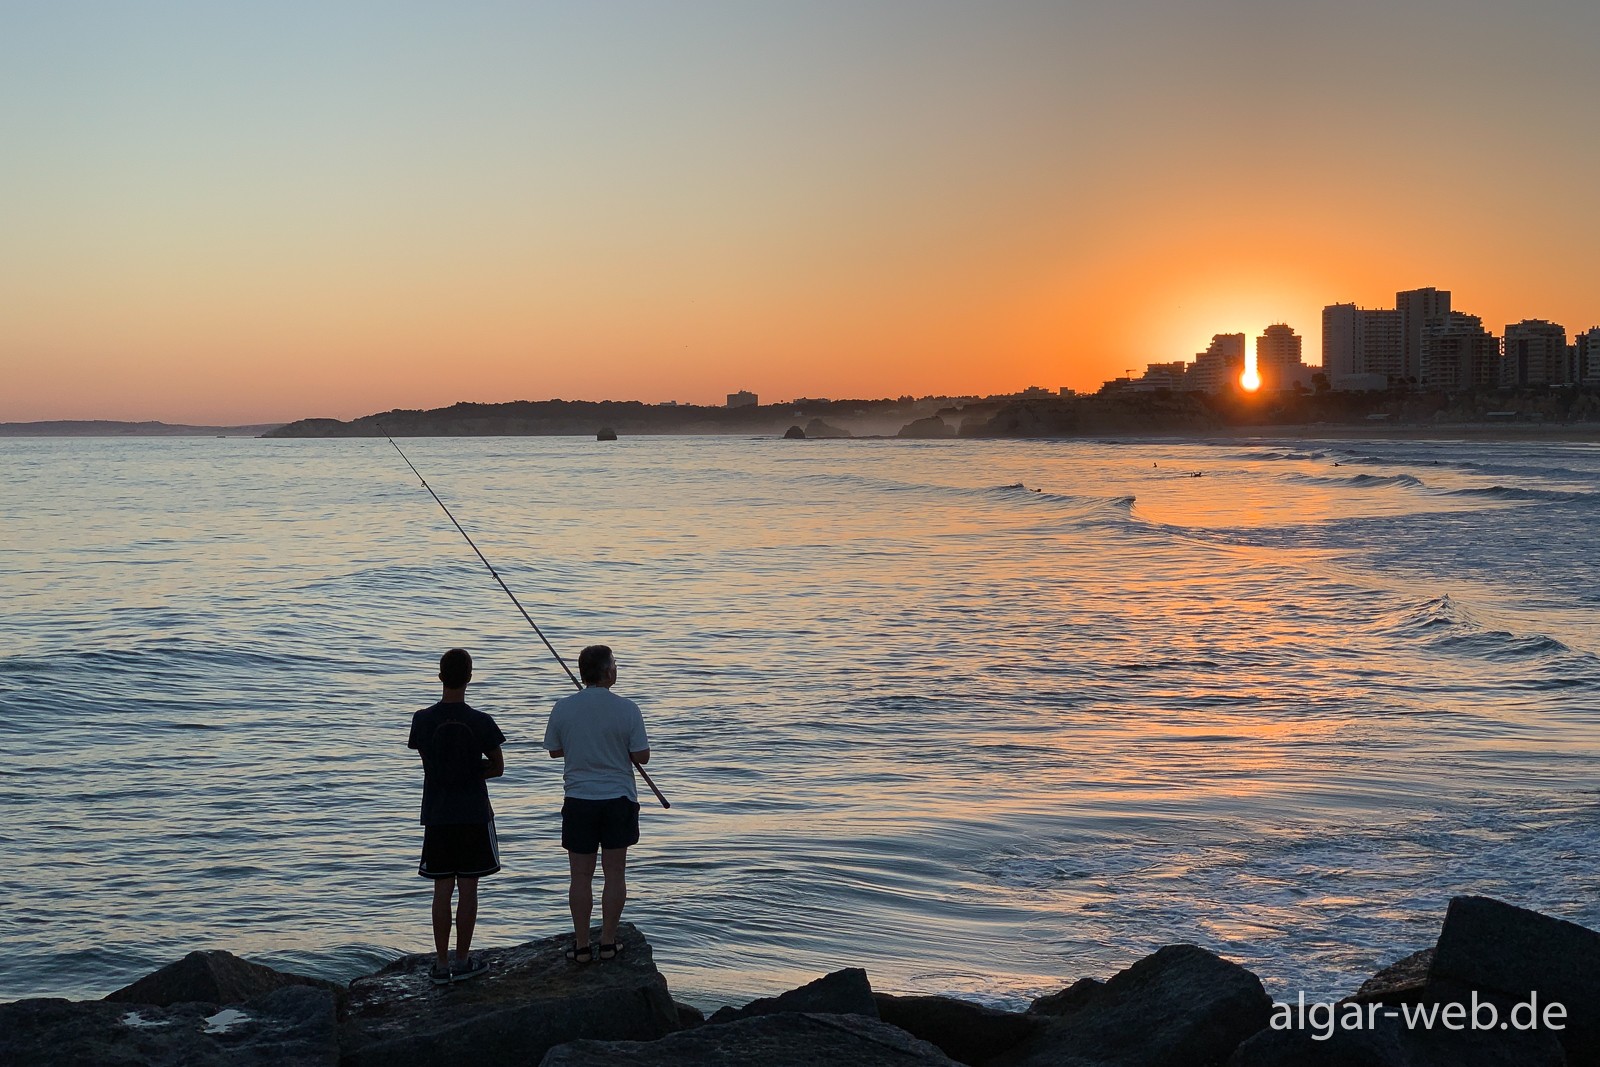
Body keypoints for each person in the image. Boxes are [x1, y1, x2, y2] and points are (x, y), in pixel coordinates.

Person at [543, 644, 649, 963]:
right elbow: (641, 756)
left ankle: (581, 946)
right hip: (618, 800)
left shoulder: (563, 707)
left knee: (580, 876)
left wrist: (582, 742)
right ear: (607, 672)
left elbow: (553, 750)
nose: (616, 668)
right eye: (615, 664)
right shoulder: (628, 709)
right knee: (615, 873)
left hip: (579, 801)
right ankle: (607, 941)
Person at [408, 648, 505, 985]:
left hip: (437, 812)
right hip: (473, 813)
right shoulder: (481, 721)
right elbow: (497, 767)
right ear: (469, 677)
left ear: (440, 676)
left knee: (441, 890)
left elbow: (427, 756)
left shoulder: (422, 719)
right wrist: (471, 771)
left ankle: (440, 963)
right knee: (468, 889)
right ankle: (463, 961)